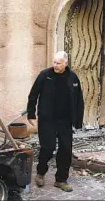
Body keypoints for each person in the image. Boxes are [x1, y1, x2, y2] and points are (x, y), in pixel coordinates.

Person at [27, 51, 84, 192]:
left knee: (66, 149)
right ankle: (40, 173)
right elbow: (33, 94)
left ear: (66, 63)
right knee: (48, 147)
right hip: (47, 119)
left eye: (58, 63)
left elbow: (79, 100)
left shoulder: (73, 78)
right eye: (54, 62)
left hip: (65, 121)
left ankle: (61, 180)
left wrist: (78, 121)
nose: (55, 65)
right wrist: (31, 114)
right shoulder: (45, 75)